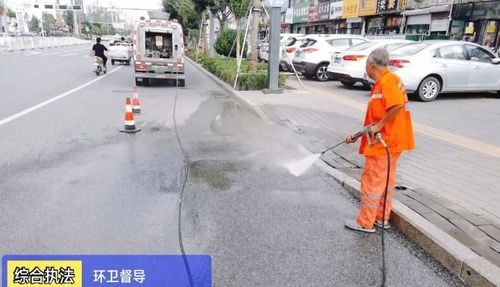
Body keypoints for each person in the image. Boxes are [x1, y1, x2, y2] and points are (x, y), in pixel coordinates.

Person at [344, 48, 415, 233]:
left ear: (371, 64)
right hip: (391, 141)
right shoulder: (388, 81)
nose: (365, 69)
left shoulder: (387, 81)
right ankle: (381, 218)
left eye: (365, 65)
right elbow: (377, 119)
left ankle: (365, 222)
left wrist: (379, 126)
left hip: (385, 142)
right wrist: (358, 135)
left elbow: (397, 105)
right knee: (385, 181)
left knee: (372, 182)